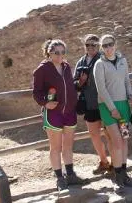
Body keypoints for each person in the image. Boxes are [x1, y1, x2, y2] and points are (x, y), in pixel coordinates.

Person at [32, 39, 87, 191]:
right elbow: (36, 92)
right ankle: (59, 179)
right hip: (53, 114)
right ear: (49, 52)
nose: (60, 55)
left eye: (63, 52)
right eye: (57, 52)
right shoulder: (42, 69)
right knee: (55, 147)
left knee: (68, 146)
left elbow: (69, 86)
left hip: (69, 112)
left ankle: (70, 175)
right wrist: (45, 103)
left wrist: (80, 83)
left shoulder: (67, 67)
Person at [93, 34, 132, 191]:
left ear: (115, 44)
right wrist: (112, 109)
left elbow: (126, 81)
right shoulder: (99, 65)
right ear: (101, 48)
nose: (108, 48)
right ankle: (118, 177)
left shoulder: (123, 61)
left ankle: (124, 174)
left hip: (123, 107)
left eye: (110, 44)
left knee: (124, 139)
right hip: (107, 108)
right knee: (117, 141)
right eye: (104, 45)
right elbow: (101, 89)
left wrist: (130, 95)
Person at [73, 34, 112, 175]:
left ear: (98, 45)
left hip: (105, 103)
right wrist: (80, 82)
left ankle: (116, 163)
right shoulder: (80, 62)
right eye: (87, 45)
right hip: (89, 104)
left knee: (110, 135)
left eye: (93, 44)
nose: (90, 47)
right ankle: (104, 162)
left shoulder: (104, 59)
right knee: (94, 135)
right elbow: (74, 84)